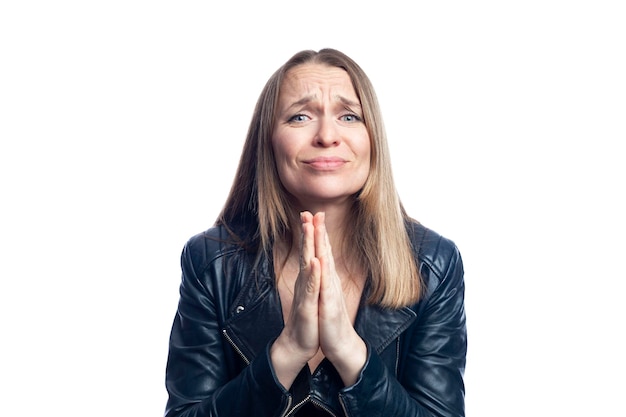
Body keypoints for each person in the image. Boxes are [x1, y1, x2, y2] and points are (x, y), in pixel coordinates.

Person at [164, 48, 467, 417]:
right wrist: (287, 352)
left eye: (349, 116)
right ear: (269, 142)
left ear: (373, 140)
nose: (327, 135)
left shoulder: (434, 264)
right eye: (300, 116)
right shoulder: (210, 263)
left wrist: (349, 352)